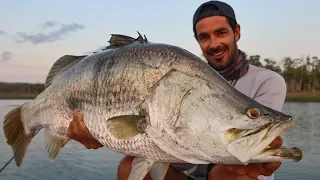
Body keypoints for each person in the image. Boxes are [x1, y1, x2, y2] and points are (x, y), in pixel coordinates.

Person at [66, 1, 287, 179]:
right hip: (184, 171)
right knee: (128, 167)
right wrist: (101, 135)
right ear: (198, 41)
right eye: (204, 37)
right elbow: (150, 137)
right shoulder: (186, 79)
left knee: (237, 175)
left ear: (236, 32)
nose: (214, 44)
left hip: (229, 173)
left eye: (221, 33)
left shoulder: (269, 81)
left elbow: (238, 149)